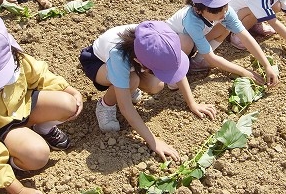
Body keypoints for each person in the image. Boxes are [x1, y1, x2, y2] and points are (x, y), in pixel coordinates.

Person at [0, 13, 83, 194]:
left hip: (22, 106)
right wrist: (19, 189)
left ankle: (42, 130)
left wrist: (69, 89)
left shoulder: (16, 58)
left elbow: (40, 75)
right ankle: (11, 159)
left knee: (68, 104)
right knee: (38, 155)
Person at [79, 21, 216, 161]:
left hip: (132, 64)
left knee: (155, 85)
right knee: (131, 81)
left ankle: (126, 87)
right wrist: (153, 141)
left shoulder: (163, 41)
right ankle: (106, 105)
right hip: (98, 62)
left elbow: (176, 69)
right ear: (140, 62)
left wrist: (192, 103)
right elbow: (126, 108)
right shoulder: (119, 56)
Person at [166, 0, 279, 86]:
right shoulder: (191, 21)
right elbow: (211, 58)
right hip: (171, 52)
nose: (224, 12)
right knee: (186, 41)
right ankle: (174, 76)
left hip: (195, 42)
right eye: (217, 10)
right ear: (198, 10)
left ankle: (197, 62)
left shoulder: (225, 11)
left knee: (225, 27)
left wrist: (267, 65)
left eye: (225, 5)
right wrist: (243, 71)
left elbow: (245, 36)